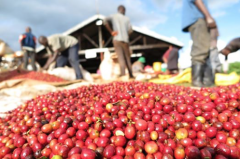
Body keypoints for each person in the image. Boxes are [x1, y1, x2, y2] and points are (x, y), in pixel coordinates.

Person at [182, 0, 216, 87]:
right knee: (200, 49)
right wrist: (208, 16)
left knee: (205, 50)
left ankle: (207, 81)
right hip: (197, 20)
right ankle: (197, 81)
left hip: (198, 20)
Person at [104, 5, 134, 78]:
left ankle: (123, 75)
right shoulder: (127, 19)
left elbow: (104, 21)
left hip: (117, 39)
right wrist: (126, 35)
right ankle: (131, 75)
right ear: (123, 10)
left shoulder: (114, 16)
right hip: (125, 40)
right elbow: (130, 30)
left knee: (121, 58)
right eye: (124, 10)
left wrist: (111, 32)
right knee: (127, 58)